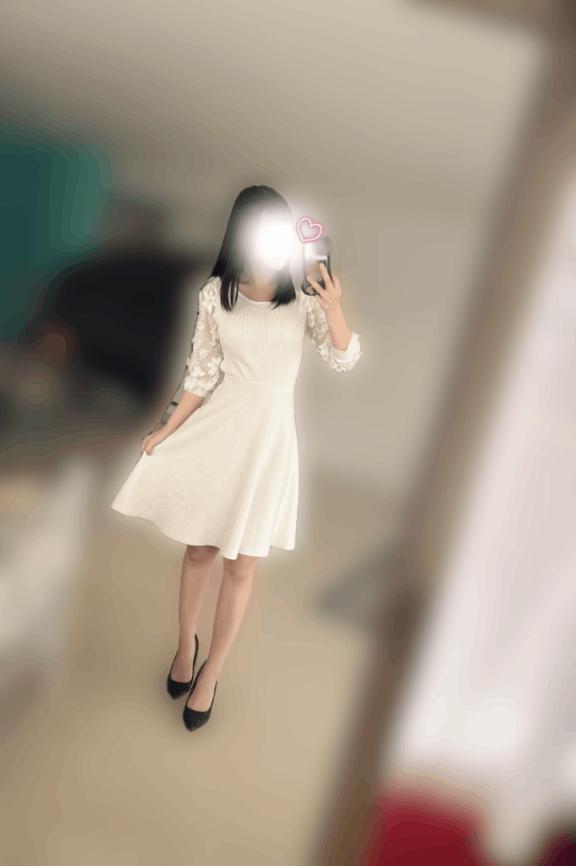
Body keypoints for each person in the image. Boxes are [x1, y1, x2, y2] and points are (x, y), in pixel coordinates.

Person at [110, 185, 362, 731]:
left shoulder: (304, 295)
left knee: (242, 564)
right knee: (199, 549)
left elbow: (343, 357)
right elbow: (201, 374)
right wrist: (166, 427)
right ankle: (186, 646)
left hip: (268, 442)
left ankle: (212, 671)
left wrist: (333, 306)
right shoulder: (215, 294)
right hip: (220, 429)